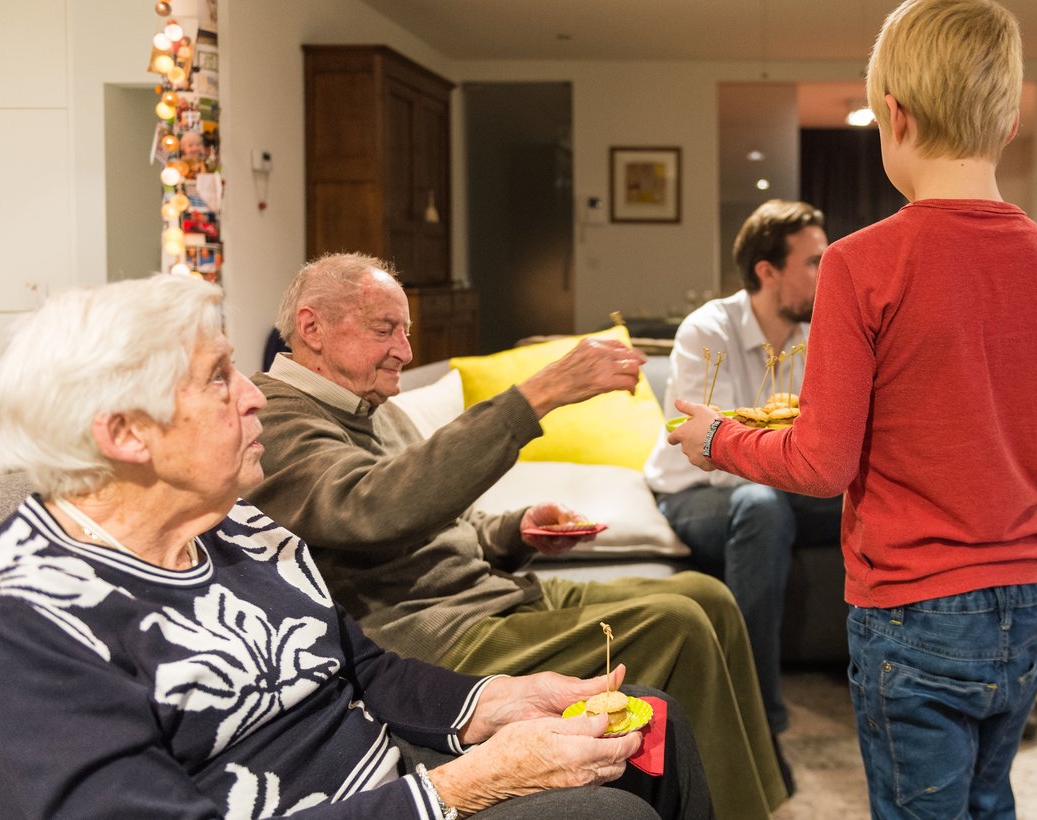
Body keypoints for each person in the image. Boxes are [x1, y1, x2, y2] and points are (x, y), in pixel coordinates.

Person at [0, 274, 714, 819]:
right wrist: (465, 784)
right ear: (125, 433)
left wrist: (494, 701)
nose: (253, 396)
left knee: (653, 725)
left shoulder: (244, 526)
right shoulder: (28, 621)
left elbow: (367, 668)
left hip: (391, 776)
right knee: (602, 810)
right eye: (219, 378)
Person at [669, 0, 1037, 818]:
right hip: (1028, 596)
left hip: (914, 604)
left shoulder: (862, 263)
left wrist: (716, 442)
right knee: (988, 803)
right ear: (1006, 124)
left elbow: (821, 461)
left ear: (895, 116)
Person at [249, 253, 787, 819]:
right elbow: (370, 506)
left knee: (709, 596)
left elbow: (440, 523)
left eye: (406, 332)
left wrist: (516, 528)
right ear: (311, 328)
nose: (405, 351)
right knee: (679, 627)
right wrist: (538, 395)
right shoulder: (277, 418)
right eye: (385, 330)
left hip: (493, 596)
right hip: (436, 634)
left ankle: (751, 804)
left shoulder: (377, 410)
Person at [644, 199, 842, 742]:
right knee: (761, 505)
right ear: (767, 271)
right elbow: (713, 449)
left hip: (785, 482)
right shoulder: (709, 331)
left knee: (881, 494)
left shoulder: (820, 331)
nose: (828, 274)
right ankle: (757, 715)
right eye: (814, 262)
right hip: (696, 488)